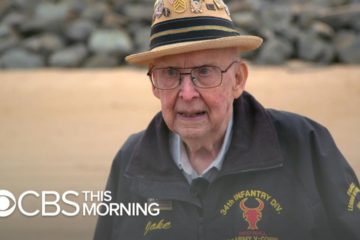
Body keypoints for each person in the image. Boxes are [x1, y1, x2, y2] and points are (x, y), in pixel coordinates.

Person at [93, 0, 360, 239]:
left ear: (238, 80)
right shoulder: (131, 160)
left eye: (205, 71)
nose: (187, 93)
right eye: (171, 73)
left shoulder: (305, 145)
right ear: (154, 85)